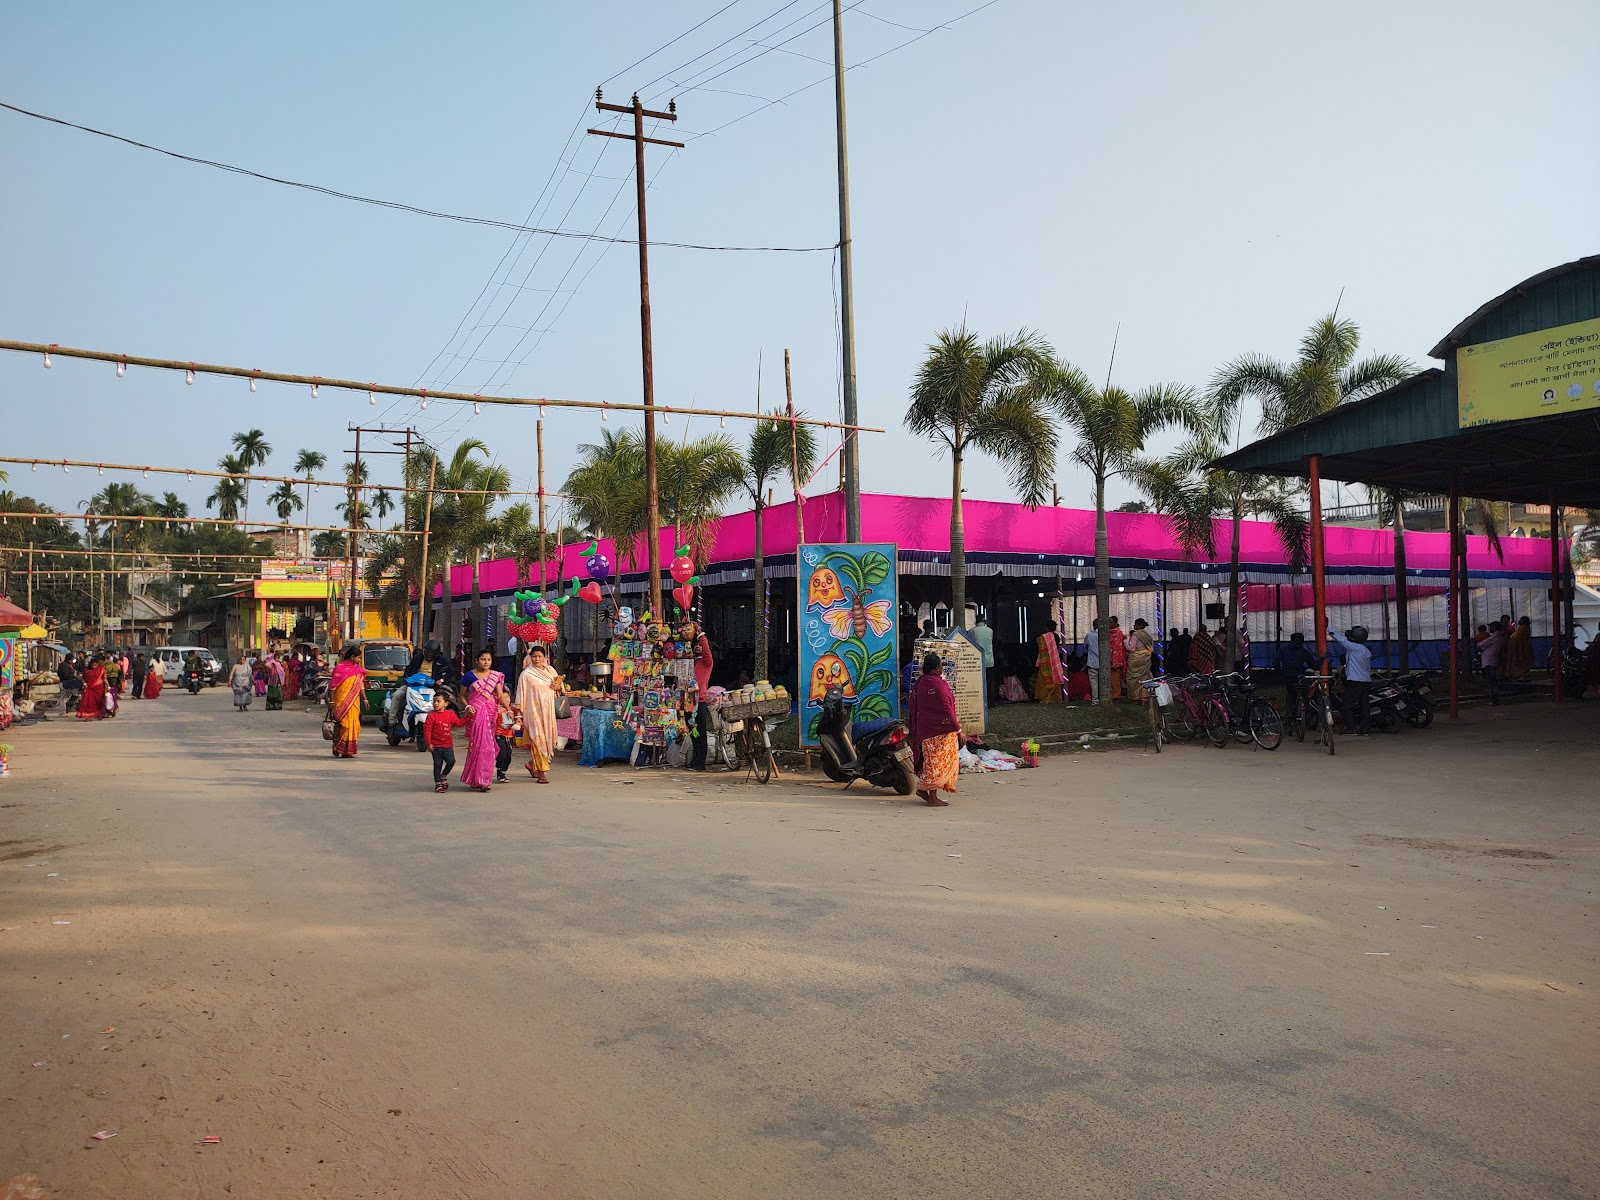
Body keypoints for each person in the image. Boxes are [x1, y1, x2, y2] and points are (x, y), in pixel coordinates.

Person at [908, 652, 959, 807]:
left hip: (923, 729)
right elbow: (946, 707)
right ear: (938, 667)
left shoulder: (920, 682)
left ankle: (926, 791)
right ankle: (932, 796)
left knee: (929, 761)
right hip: (939, 730)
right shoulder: (939, 684)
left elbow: (912, 704)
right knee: (936, 763)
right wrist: (957, 728)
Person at [460, 649, 511, 792]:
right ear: (477, 660)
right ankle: (479, 779)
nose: (486, 662)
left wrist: (509, 710)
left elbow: (500, 696)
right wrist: (468, 706)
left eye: (488, 659)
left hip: (491, 713)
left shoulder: (495, 676)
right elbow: (462, 696)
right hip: (476, 713)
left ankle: (483, 778)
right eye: (483, 659)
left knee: (489, 747)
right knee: (479, 746)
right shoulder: (469, 676)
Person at [517, 643, 562, 783]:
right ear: (530, 658)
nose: (537, 659)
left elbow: (560, 687)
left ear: (544, 657)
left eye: (539, 656)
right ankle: (542, 773)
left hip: (548, 712)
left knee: (546, 739)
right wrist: (519, 714)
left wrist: (558, 686)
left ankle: (532, 764)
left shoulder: (550, 671)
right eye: (534, 656)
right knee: (538, 739)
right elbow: (520, 694)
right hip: (533, 712)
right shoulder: (526, 674)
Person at [1330, 624, 1373, 734]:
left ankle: (1350, 728)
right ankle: (1365, 729)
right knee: (1364, 706)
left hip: (1355, 681)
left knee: (1347, 705)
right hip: (1366, 681)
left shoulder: (1354, 647)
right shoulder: (1366, 651)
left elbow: (1341, 640)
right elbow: (1368, 668)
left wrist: (1329, 629)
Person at [423, 693, 467, 792]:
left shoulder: (450, 714)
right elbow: (427, 730)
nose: (435, 703)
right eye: (434, 701)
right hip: (436, 746)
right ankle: (438, 783)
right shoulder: (431, 716)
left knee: (451, 761)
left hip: (447, 745)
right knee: (437, 764)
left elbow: (459, 723)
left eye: (438, 701)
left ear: (446, 703)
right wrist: (429, 743)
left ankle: (443, 775)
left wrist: (468, 716)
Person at [328, 646, 366, 757]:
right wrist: (331, 701)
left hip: (354, 702)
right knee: (344, 725)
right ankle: (338, 747)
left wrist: (365, 699)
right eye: (358, 658)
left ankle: (347, 751)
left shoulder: (358, 670)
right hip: (341, 701)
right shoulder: (339, 668)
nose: (360, 660)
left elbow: (360, 685)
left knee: (355, 725)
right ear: (352, 657)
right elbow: (333, 687)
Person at [688, 631, 715, 771]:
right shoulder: (690, 662)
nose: (697, 647)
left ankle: (700, 763)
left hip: (700, 700)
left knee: (701, 732)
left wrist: (701, 636)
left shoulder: (706, 662)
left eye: (700, 645)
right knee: (693, 732)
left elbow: (707, 653)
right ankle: (695, 759)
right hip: (688, 701)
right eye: (696, 645)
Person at [1279, 632, 1313, 723]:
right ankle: (1307, 715)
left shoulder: (1283, 650)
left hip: (1288, 677)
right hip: (1300, 677)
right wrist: (1322, 658)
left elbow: (1275, 662)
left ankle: (1289, 715)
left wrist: (1280, 671)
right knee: (1304, 693)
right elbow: (1314, 665)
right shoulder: (1304, 652)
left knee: (1290, 694)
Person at [1034, 620, 1065, 703]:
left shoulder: (1043, 637)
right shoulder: (1056, 636)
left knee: (1044, 679)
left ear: (1047, 627)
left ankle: (1045, 697)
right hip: (1055, 660)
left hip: (1046, 661)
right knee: (1055, 679)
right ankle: (1055, 698)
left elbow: (1040, 646)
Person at [1478, 619, 1508, 706]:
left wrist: (1478, 644)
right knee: (1492, 681)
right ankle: (1494, 698)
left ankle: (1493, 699)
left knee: (1491, 681)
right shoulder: (1498, 636)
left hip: (1488, 660)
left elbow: (1483, 643)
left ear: (1494, 628)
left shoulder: (1495, 636)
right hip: (1493, 659)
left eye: (1491, 627)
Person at [970, 616, 996, 702]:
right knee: (990, 683)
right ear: (984, 621)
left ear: (976, 621)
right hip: (989, 660)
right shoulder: (990, 630)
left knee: (978, 683)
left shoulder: (972, 631)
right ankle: (991, 702)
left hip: (977, 661)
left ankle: (980, 701)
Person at [1125, 618, 1154, 694]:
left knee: (1134, 678)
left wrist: (1125, 641)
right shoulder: (1148, 635)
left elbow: (1131, 648)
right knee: (1145, 677)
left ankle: (1136, 697)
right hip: (1146, 658)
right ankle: (1144, 696)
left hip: (1136, 659)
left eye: (1135, 624)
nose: (1134, 625)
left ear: (1139, 625)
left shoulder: (1136, 635)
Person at [76, 656, 109, 720]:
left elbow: (104, 678)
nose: (94, 667)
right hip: (89, 688)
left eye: (95, 665)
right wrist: (84, 683)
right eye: (92, 665)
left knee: (99, 702)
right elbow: (82, 678)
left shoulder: (101, 669)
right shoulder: (87, 671)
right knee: (88, 702)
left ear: (97, 664)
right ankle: (88, 716)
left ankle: (99, 714)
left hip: (99, 689)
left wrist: (108, 686)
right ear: (90, 665)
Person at [1503, 615, 1534, 681]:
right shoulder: (1525, 629)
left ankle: (1515, 675)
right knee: (1522, 662)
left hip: (1513, 648)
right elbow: (1526, 643)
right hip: (1520, 649)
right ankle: (1523, 676)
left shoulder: (1516, 632)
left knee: (1516, 661)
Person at [1108, 616, 1127, 701]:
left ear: (1115, 623)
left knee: (1115, 679)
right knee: (1112, 679)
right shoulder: (1109, 633)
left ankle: (1116, 696)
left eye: (1111, 622)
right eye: (1108, 622)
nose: (1109, 624)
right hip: (1111, 658)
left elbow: (1116, 647)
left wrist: (1114, 660)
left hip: (1116, 659)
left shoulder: (1117, 633)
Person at [1085, 619, 1101, 701]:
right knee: (1103, 681)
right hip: (1103, 662)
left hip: (1092, 662)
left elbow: (1086, 646)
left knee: (1093, 682)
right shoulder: (1106, 635)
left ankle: (1095, 700)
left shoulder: (1089, 635)